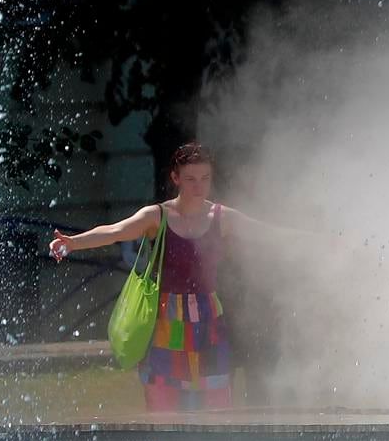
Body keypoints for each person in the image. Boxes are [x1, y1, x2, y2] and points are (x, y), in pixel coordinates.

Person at [48, 142, 280, 411]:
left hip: (207, 320)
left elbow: (267, 234)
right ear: (175, 177)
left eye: (205, 178)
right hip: (165, 322)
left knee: (216, 408)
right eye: (191, 179)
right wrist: (72, 243)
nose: (199, 186)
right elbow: (115, 231)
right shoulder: (157, 217)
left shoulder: (221, 217)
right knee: (163, 406)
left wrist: (322, 242)